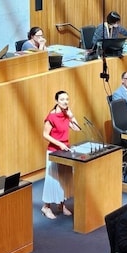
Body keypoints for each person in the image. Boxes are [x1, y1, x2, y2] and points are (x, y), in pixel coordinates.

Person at [40, 90, 81, 219]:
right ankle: (46, 207)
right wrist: (59, 144)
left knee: (64, 177)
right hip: (54, 150)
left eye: (67, 99)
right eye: (62, 99)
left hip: (65, 149)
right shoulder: (51, 116)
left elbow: (77, 128)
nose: (65, 102)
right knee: (53, 180)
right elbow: (45, 134)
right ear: (57, 101)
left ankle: (61, 205)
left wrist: (71, 116)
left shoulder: (66, 114)